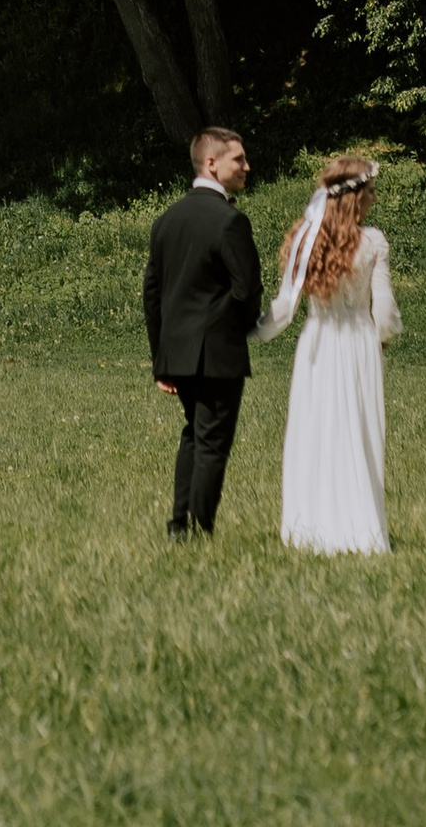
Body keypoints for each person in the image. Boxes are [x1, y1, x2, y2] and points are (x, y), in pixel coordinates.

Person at [255, 150, 400, 555]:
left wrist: (252, 333)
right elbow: (384, 309)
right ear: (354, 197)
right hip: (357, 345)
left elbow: (284, 308)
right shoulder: (373, 242)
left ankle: (310, 527)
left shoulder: (306, 240)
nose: (373, 198)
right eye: (370, 191)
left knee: (314, 429)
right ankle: (359, 527)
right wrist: (383, 337)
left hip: (317, 344)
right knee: (359, 431)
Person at [142, 123, 263, 540]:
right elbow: (247, 289)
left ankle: (180, 525)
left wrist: (162, 359)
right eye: (239, 159)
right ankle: (199, 529)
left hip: (177, 352)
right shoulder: (230, 221)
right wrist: (242, 328)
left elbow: (153, 294)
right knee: (212, 443)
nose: (247, 166)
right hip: (216, 353)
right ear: (211, 163)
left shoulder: (166, 220)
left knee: (195, 435)